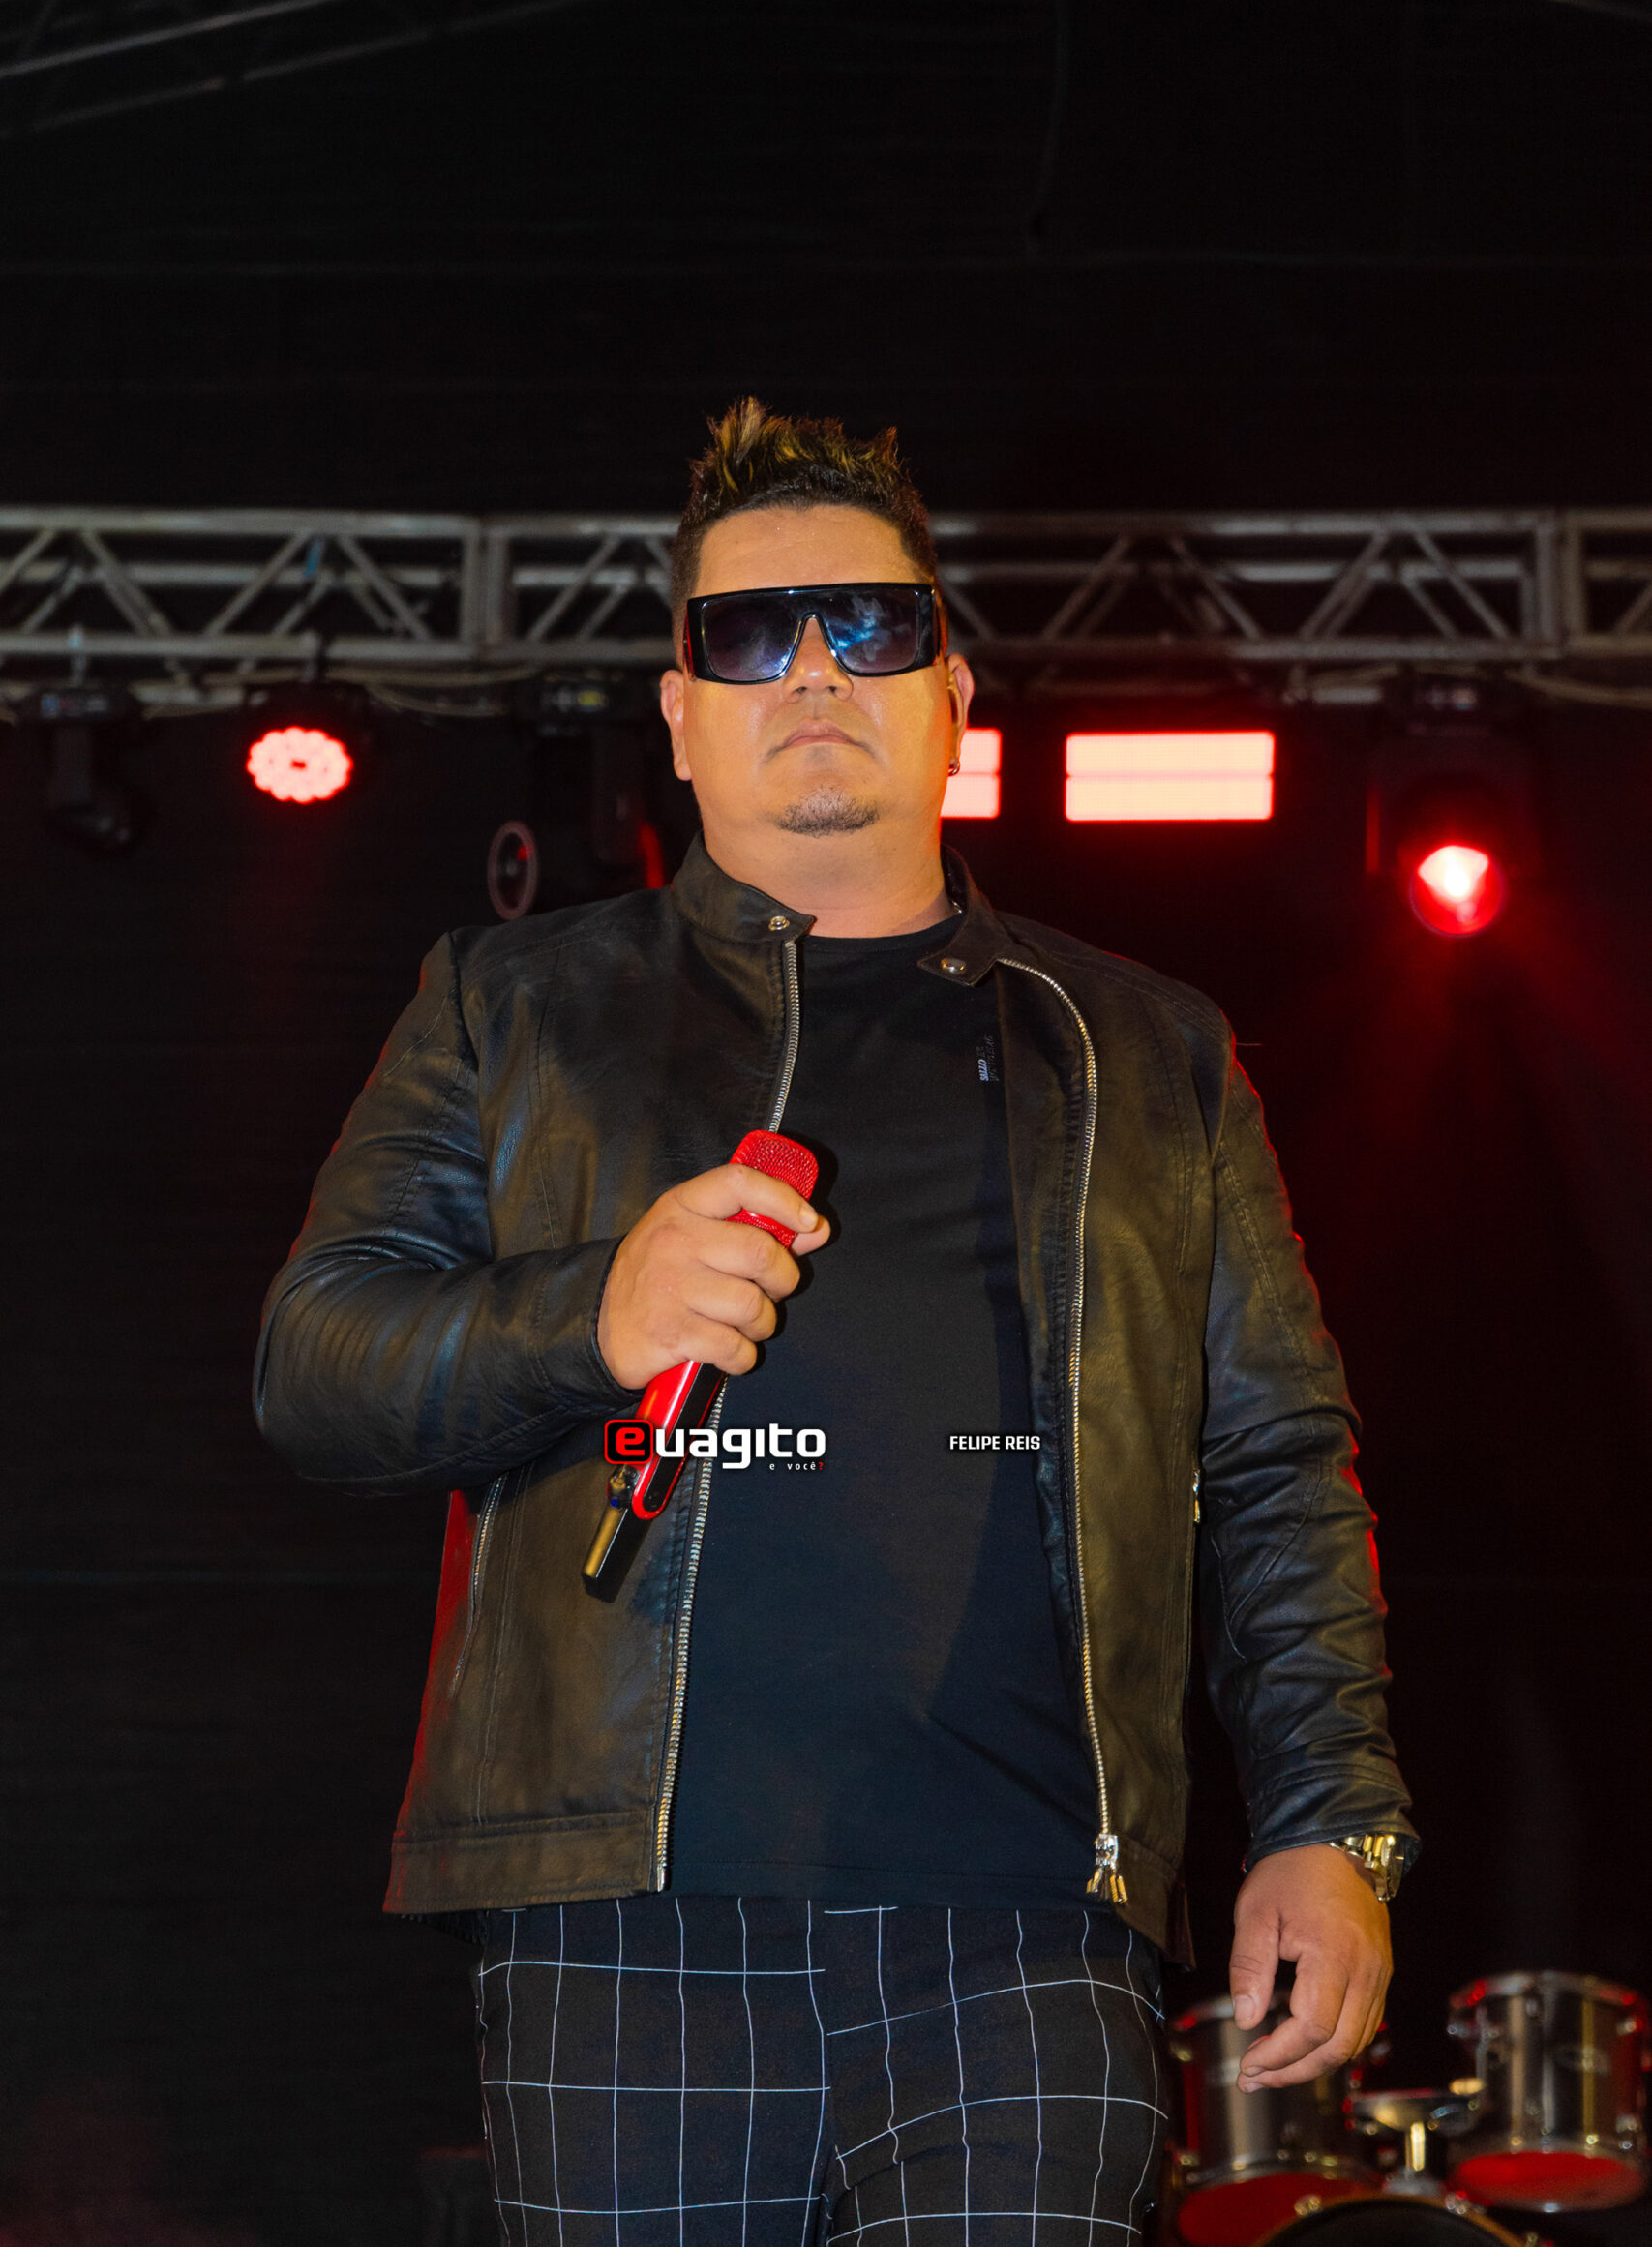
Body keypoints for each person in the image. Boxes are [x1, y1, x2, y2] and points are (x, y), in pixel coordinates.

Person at [255, 400, 1415, 2247]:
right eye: (750, 633)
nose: (811, 669)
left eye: (869, 627)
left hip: (1026, 1923)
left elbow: (1274, 1462)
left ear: (952, 693)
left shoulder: (1146, 1049)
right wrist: (590, 1312)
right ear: (679, 713)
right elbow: (316, 1363)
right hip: (626, 1925)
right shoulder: (514, 1005)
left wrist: (1330, 1820)